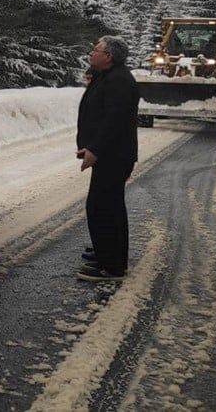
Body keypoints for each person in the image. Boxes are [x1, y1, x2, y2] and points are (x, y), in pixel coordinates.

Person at [75, 35, 139, 281]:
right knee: (108, 205)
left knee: (103, 207)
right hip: (109, 154)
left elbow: (114, 122)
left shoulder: (120, 81)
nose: (92, 52)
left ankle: (111, 267)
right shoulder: (108, 76)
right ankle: (107, 253)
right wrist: (88, 145)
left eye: (96, 49)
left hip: (114, 155)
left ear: (109, 56)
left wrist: (95, 149)